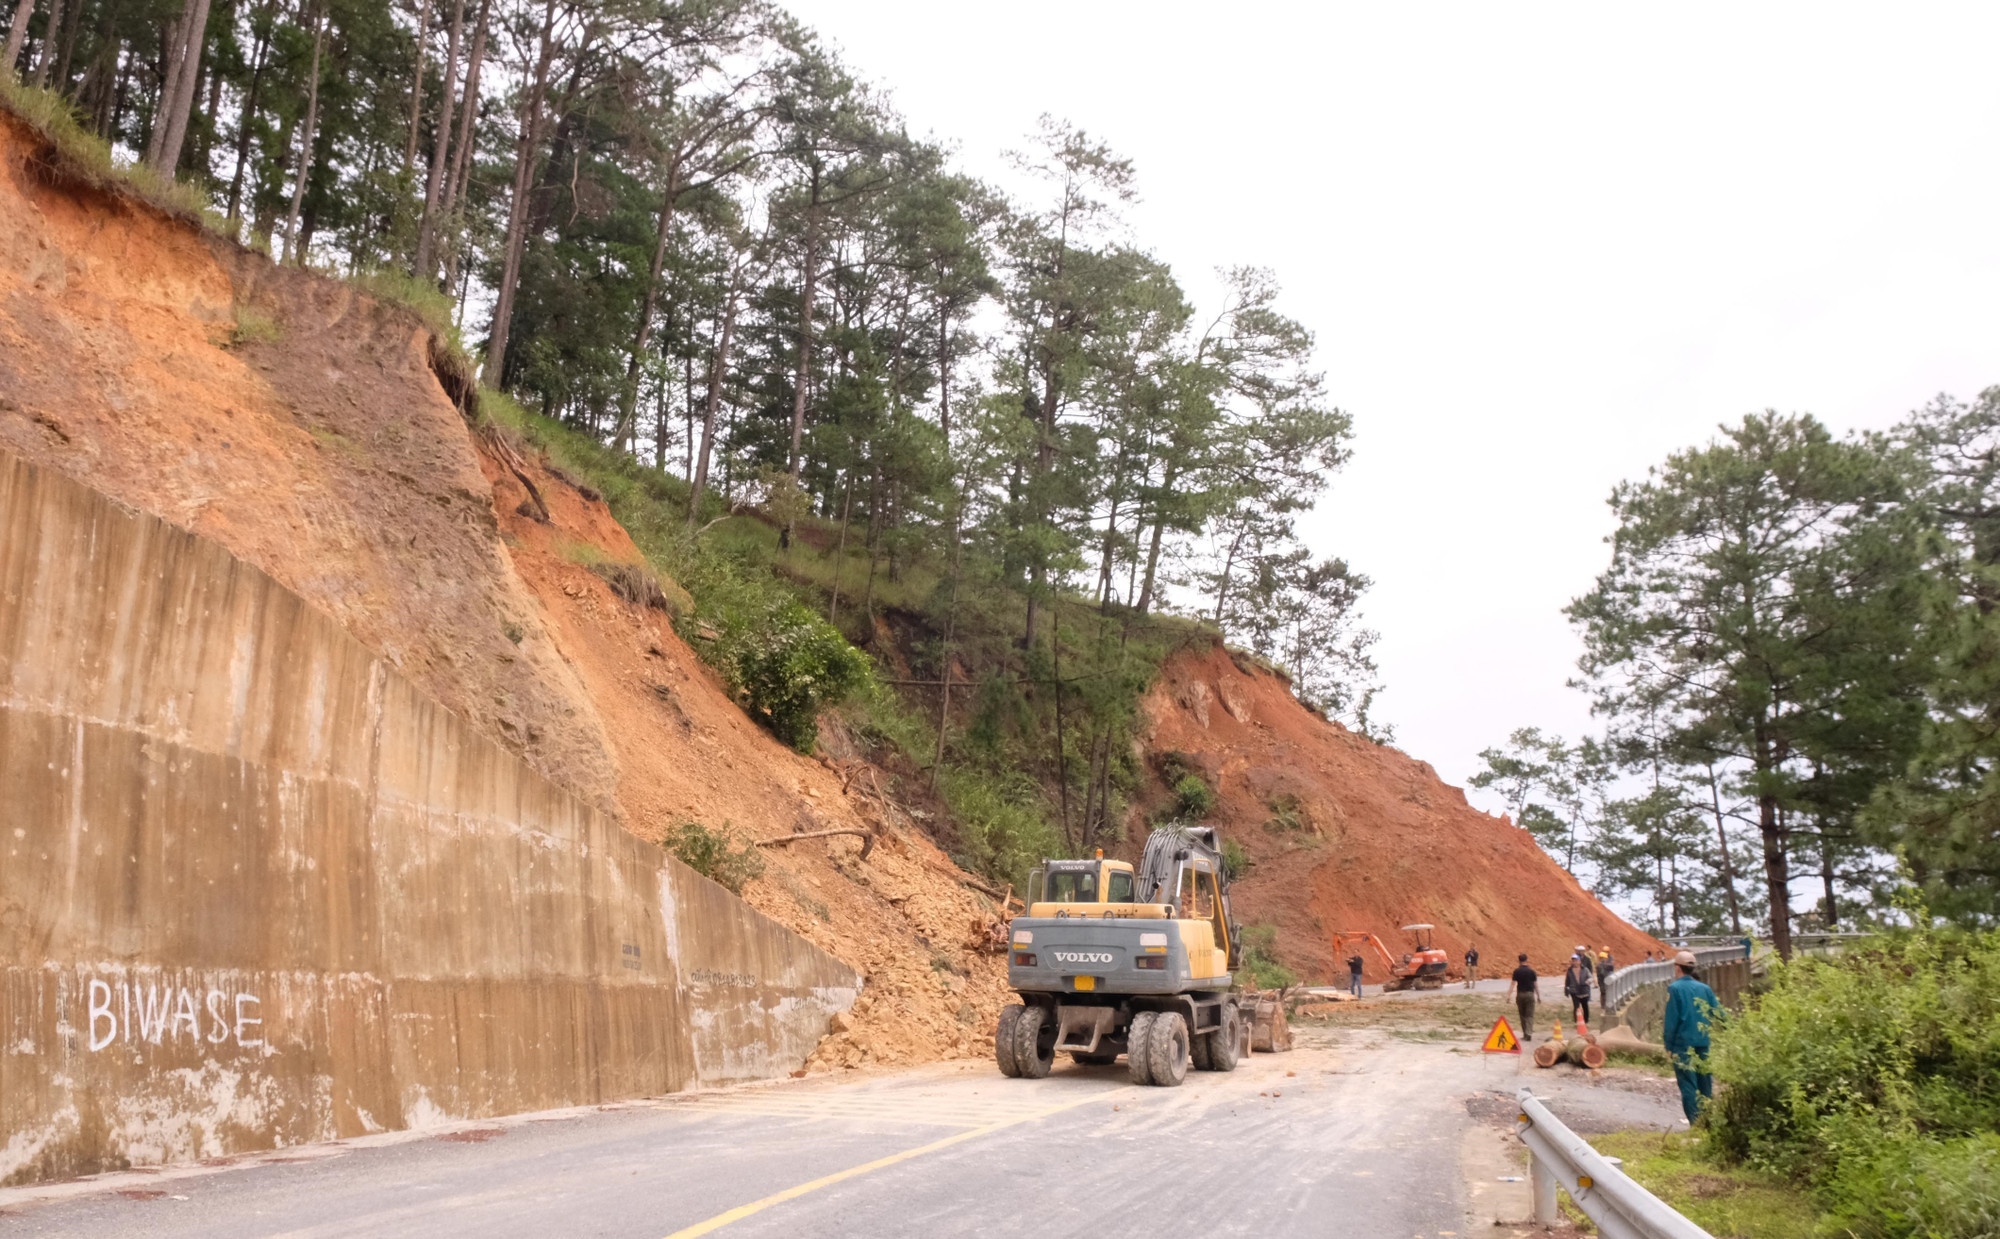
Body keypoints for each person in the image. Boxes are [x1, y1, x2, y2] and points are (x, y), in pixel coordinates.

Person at [1663, 949, 1720, 1123]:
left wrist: (1668, 1046)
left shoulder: (1675, 989)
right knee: (1705, 1083)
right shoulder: (1705, 989)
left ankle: (1695, 1123)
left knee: (1688, 1084)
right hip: (1703, 1042)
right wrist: (1735, 1031)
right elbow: (1719, 1013)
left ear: (1677, 967)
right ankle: (1708, 1121)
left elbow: (1671, 1021)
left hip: (1683, 1044)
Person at [1507, 953, 1537, 1037]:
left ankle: (1525, 1033)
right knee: (1529, 1015)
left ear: (1519, 961)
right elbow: (1535, 984)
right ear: (1527, 960)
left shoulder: (1517, 971)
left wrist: (1508, 995)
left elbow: (1513, 984)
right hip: (1530, 994)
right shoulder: (1532, 971)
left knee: (1522, 1015)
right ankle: (1529, 1032)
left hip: (1520, 994)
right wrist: (1538, 996)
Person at [1564, 953, 1593, 1027]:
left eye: (1576, 960)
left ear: (1579, 961)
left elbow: (1590, 977)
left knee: (1585, 1006)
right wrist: (1566, 990)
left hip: (1584, 990)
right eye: (1573, 961)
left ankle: (1586, 1021)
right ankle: (1576, 1021)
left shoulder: (1585, 969)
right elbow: (1567, 981)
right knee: (1576, 1007)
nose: (1574, 962)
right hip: (1574, 991)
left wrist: (1587, 981)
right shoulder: (1570, 971)